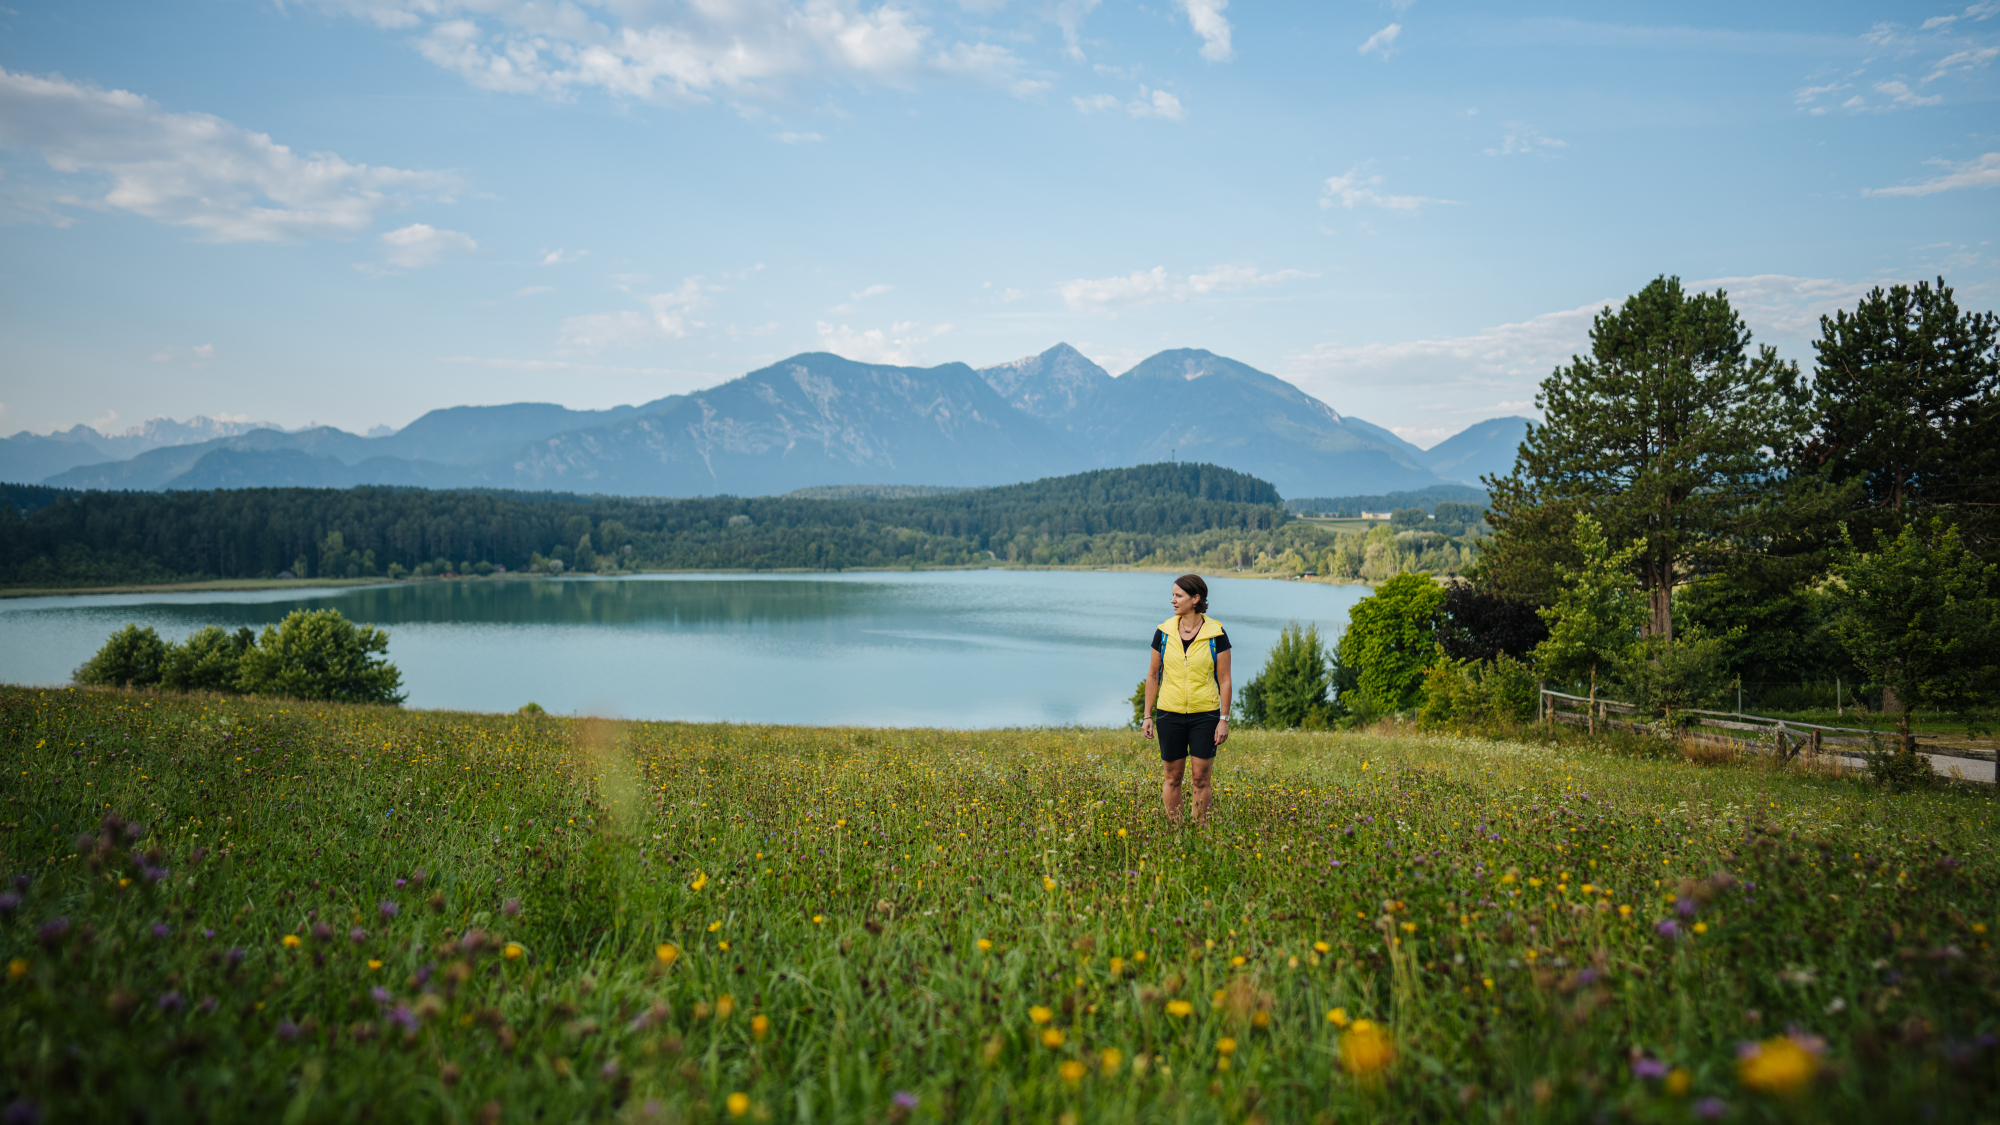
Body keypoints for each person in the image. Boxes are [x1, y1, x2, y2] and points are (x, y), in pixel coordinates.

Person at [1140, 574, 1231, 822]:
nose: (1172, 600)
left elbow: (1224, 680)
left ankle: (1200, 832)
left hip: (1205, 716)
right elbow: (1152, 676)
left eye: (1178, 595)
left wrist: (1223, 719)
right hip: (1169, 714)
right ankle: (1175, 832)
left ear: (1196, 599)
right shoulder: (1164, 632)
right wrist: (1147, 715)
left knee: (1201, 779)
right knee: (1173, 778)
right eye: (1173, 594)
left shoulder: (1216, 634)